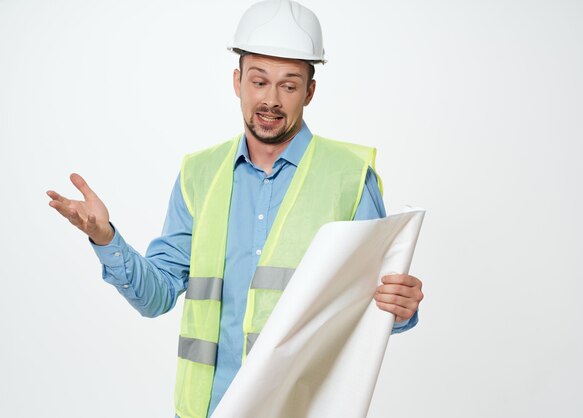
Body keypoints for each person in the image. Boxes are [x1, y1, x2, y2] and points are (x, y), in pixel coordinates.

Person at [47, 1, 424, 417]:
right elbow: (155, 297)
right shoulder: (198, 174)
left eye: (289, 85)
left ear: (310, 92)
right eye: (259, 81)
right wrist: (106, 239)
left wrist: (401, 308)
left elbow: (371, 306)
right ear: (237, 81)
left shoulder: (350, 177)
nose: (271, 100)